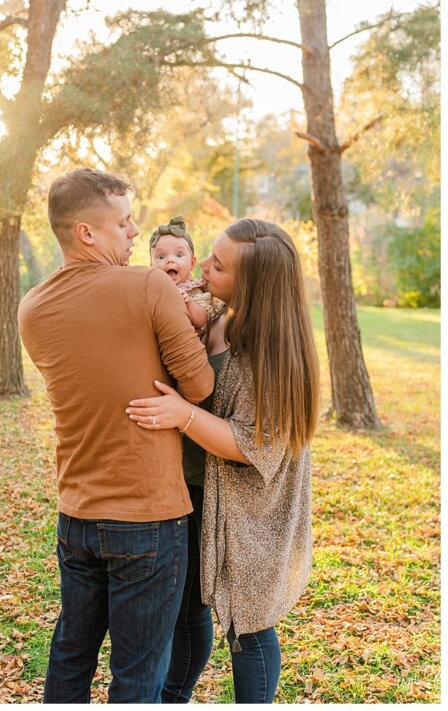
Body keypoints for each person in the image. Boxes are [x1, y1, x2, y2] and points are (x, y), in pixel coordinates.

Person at [18, 169, 214, 703]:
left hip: (76, 516)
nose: (134, 233)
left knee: (71, 656)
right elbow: (198, 384)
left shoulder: (31, 307)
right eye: (124, 222)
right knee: (138, 676)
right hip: (148, 519)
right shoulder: (148, 285)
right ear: (86, 232)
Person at [126, 219, 319, 703]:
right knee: (187, 610)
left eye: (218, 265)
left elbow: (253, 444)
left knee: (246, 626)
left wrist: (182, 414)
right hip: (191, 490)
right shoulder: (216, 314)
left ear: (252, 283)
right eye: (207, 257)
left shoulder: (271, 352)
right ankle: (173, 697)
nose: (204, 269)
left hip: (246, 507)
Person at [149, 216, 225, 333]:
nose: (170, 260)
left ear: (192, 263)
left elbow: (202, 320)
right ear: (151, 266)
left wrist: (189, 303)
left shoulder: (194, 292)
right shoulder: (150, 290)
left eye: (179, 255)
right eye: (161, 256)